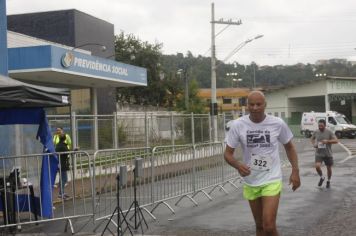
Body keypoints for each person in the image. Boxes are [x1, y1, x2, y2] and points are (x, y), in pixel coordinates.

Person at [224, 91, 301, 236]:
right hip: (251, 180)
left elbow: (289, 147)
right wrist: (237, 165)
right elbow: (227, 154)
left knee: (269, 226)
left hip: (271, 179)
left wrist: (295, 171)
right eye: (251, 104)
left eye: (258, 104)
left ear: (265, 105)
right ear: (247, 106)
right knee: (259, 227)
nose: (254, 107)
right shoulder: (238, 125)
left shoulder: (277, 123)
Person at [311, 119, 338, 188]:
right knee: (317, 166)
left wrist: (327, 141)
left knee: (329, 168)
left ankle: (328, 181)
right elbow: (312, 139)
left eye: (322, 126)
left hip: (327, 153)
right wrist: (314, 144)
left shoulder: (329, 132)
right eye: (319, 126)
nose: (320, 127)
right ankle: (322, 177)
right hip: (319, 153)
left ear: (325, 125)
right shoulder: (316, 132)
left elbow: (336, 140)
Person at [53, 127, 72, 199]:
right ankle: (61, 194)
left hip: (62, 161)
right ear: (64, 139)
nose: (58, 131)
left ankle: (62, 192)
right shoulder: (56, 139)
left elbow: (69, 145)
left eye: (59, 130)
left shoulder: (66, 137)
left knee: (64, 178)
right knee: (64, 179)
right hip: (62, 162)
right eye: (57, 130)